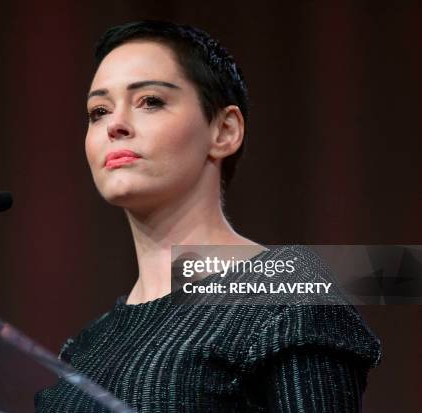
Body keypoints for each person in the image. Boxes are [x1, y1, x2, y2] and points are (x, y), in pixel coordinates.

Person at [34, 20, 381, 412]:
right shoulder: (86, 347)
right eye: (98, 111)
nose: (114, 124)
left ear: (224, 130)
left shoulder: (288, 296)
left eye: (150, 101)